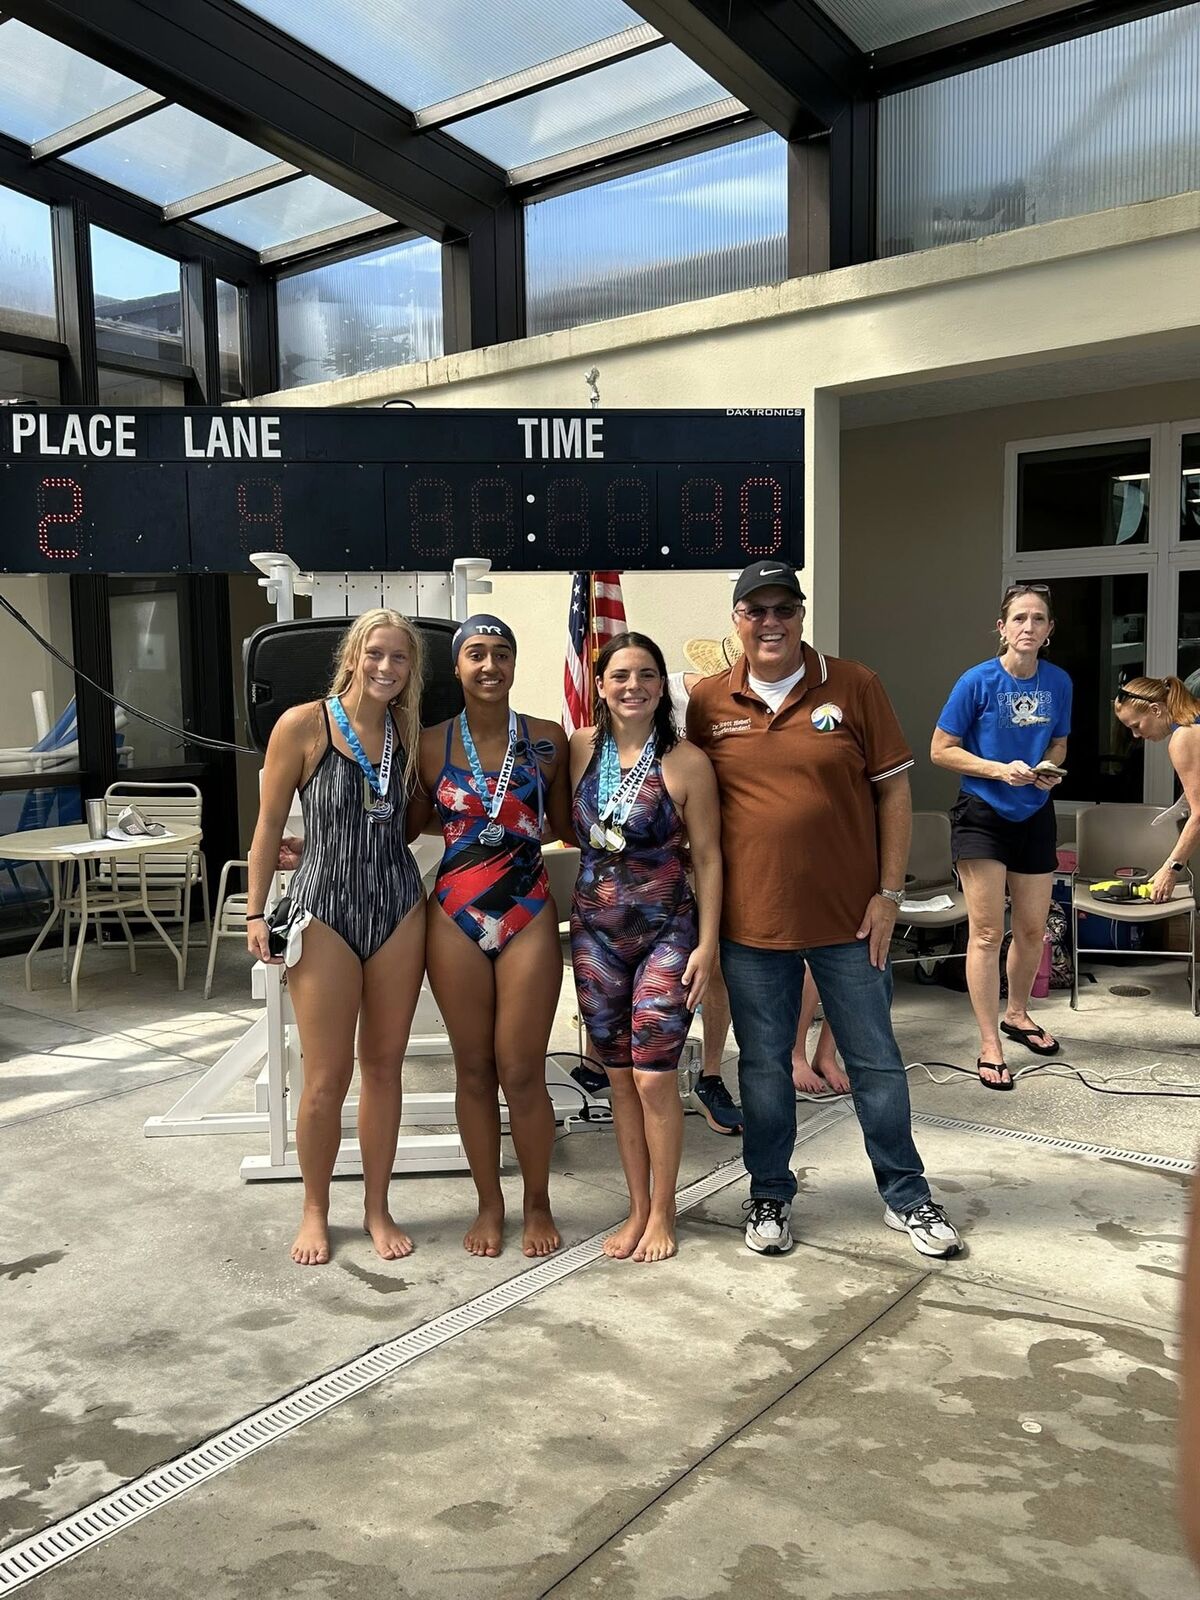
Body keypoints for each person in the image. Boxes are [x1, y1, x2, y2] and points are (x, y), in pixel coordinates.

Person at [687, 558, 960, 1260]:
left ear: (801, 615)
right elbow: (694, 810)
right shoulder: (708, 704)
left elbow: (894, 794)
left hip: (850, 923)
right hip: (754, 926)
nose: (770, 621)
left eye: (784, 608)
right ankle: (769, 1193)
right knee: (765, 1069)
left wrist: (889, 893)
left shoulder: (856, 684)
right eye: (757, 610)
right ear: (738, 620)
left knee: (874, 1062)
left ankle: (907, 1195)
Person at [246, 609, 427, 1267]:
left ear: (411, 670)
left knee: (384, 1068)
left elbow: (403, 821)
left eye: (399, 658)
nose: (385, 667)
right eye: (375, 654)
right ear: (353, 656)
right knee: (326, 1074)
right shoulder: (303, 725)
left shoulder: (407, 731)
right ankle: (315, 1208)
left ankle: (377, 1207)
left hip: (399, 908)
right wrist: (256, 912)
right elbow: (268, 826)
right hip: (322, 910)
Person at [408, 615, 571, 1261]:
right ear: (457, 666)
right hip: (453, 913)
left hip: (528, 907)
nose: (489, 665)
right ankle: (489, 1202)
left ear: (513, 663)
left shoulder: (548, 739)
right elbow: (406, 827)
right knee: (473, 1069)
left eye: (501, 653)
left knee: (523, 1070)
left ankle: (537, 1203)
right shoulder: (427, 743)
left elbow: (570, 825)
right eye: (476, 653)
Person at [570, 633, 721, 1262]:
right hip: (594, 936)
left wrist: (707, 945)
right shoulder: (579, 748)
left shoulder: (686, 762)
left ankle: (665, 1211)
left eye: (648, 675)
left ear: (663, 687)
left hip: (667, 932)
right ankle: (635, 1208)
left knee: (657, 1078)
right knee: (619, 1077)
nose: (634, 686)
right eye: (621, 675)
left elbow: (710, 859)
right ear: (601, 687)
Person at [668, 667, 849, 1116]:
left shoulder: (725, 698)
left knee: (721, 973)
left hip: (730, 863)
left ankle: (713, 1074)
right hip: (662, 875)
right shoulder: (682, 697)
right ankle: (613, 1072)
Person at [931, 583, 1072, 1090]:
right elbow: (940, 750)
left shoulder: (1059, 682)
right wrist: (996, 769)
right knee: (987, 933)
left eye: (1038, 620)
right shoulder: (977, 681)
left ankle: (1017, 1014)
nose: (1028, 628)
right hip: (982, 813)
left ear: (1049, 631)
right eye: (1019, 619)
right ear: (1002, 628)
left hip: (1036, 810)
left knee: (1033, 930)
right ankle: (989, 1042)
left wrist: (1048, 767)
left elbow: (1059, 741)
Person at [1113, 675, 1200, 898]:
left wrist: (1170, 869)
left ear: (1156, 710)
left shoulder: (1184, 737)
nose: (1136, 735)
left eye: (1136, 725)